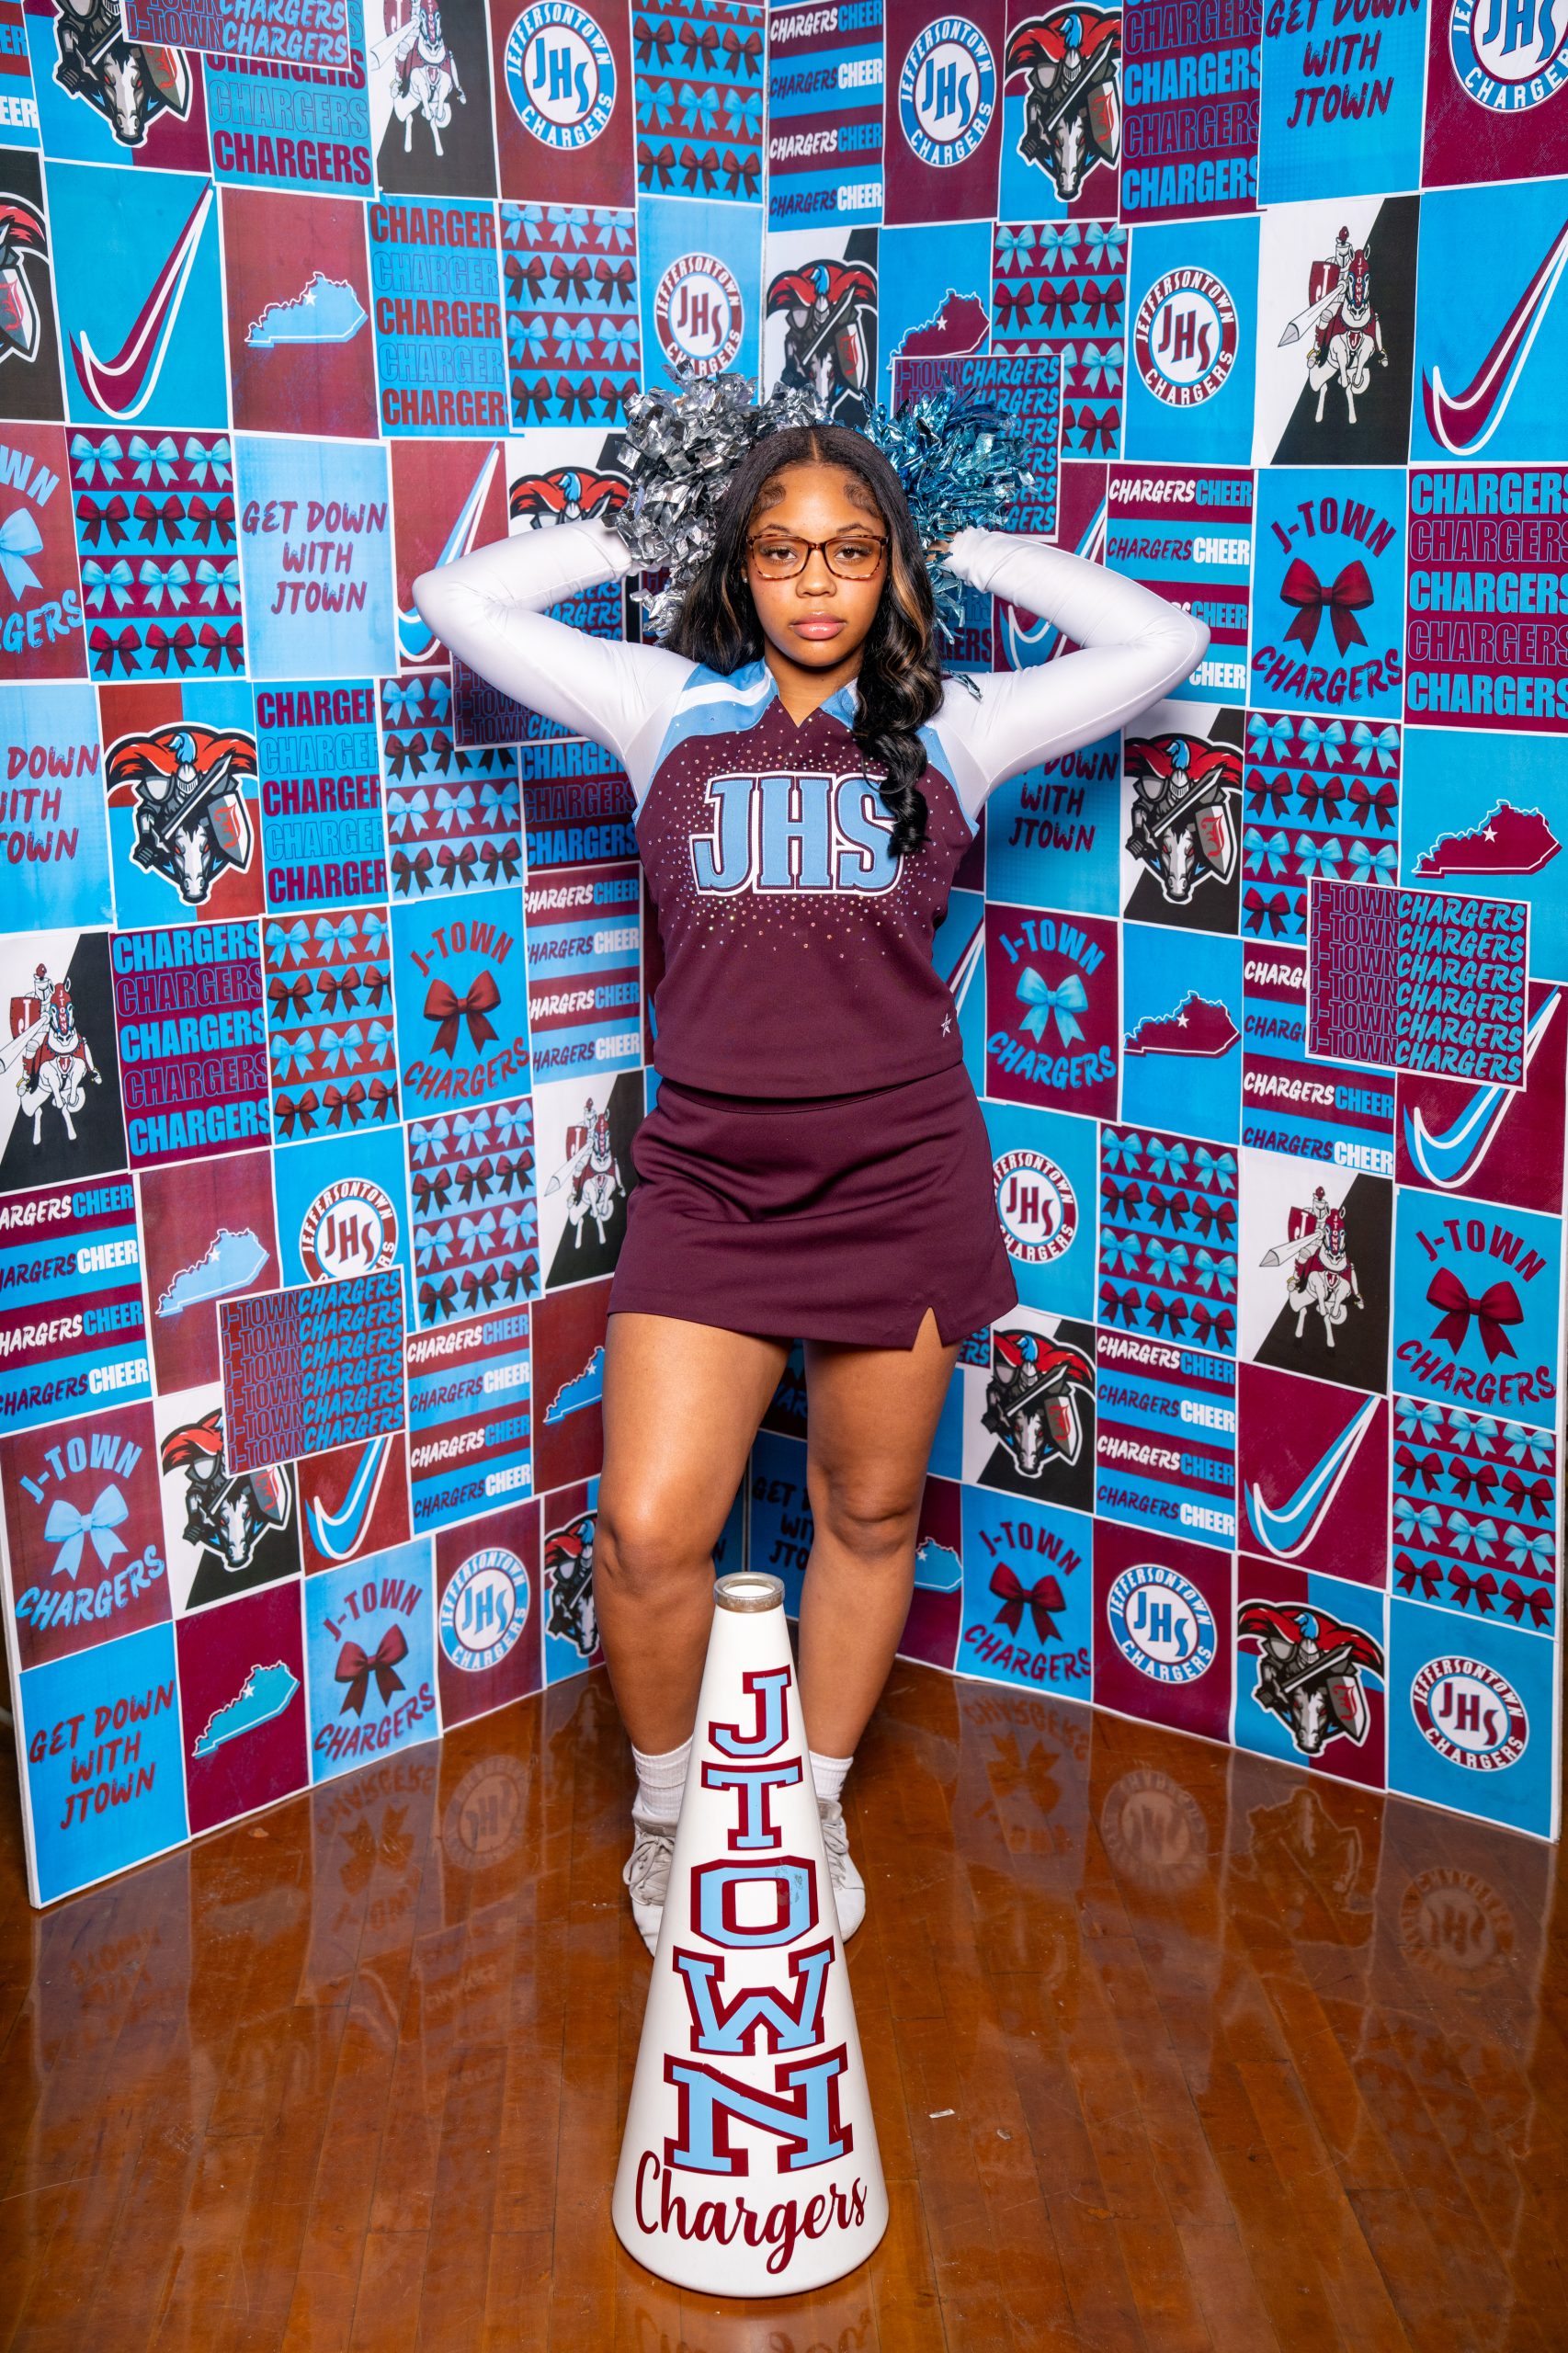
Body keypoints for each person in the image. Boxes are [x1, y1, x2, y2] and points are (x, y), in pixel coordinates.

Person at [414, 419, 1207, 1952]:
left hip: (897, 1179)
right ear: (741, 568)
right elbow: (458, 600)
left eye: (852, 549)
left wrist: (960, 537)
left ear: (888, 566)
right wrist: (655, 522)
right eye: (778, 550)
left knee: (869, 1506)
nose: (816, 582)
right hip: (709, 1182)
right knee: (648, 1533)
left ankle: (813, 1802)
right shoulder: (660, 706)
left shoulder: (957, 722)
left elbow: (1160, 642)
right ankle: (670, 1819)